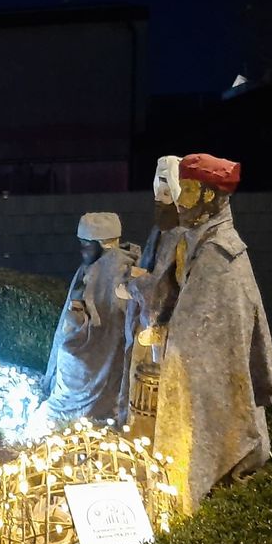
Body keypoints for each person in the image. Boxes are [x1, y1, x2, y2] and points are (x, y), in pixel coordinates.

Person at [153, 153, 272, 512]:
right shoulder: (196, 239)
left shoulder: (219, 255)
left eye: (188, 190)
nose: (180, 200)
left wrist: (170, 341)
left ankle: (201, 479)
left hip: (210, 367)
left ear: (210, 196)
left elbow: (199, 335)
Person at [37, 212, 140, 424]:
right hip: (81, 339)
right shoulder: (92, 267)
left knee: (73, 365)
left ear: (102, 244)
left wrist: (78, 323)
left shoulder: (114, 272)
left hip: (95, 354)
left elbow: (109, 327)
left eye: (85, 245)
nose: (82, 251)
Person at [119, 155, 185, 423]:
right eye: (158, 192)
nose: (159, 199)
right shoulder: (161, 230)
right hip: (144, 317)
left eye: (167, 193)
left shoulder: (181, 236)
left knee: (152, 387)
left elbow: (166, 284)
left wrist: (135, 285)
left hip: (162, 327)